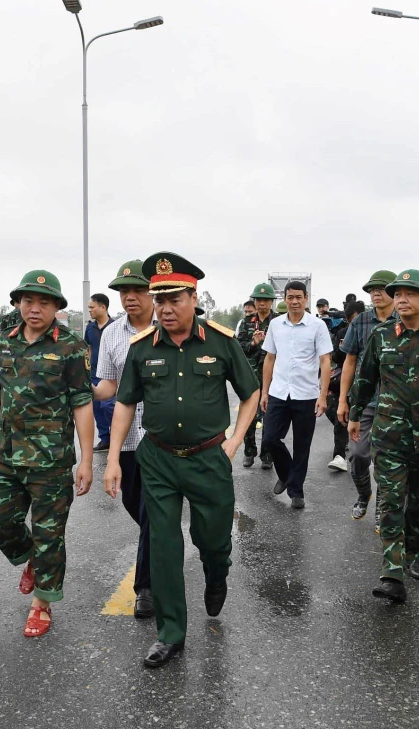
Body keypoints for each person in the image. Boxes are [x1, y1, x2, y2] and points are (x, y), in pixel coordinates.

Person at [104, 252, 260, 668]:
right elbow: (124, 404)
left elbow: (251, 393)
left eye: (174, 299)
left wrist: (235, 441)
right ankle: (171, 633)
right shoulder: (141, 349)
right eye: (160, 300)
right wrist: (114, 459)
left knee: (212, 539)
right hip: (157, 459)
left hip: (209, 458)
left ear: (194, 297)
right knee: (163, 543)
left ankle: (216, 572)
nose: (165, 308)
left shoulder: (222, 342)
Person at [0, 270, 93, 638]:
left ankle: (42, 604)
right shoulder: (4, 341)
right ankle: (31, 559)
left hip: (51, 460)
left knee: (50, 533)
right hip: (6, 453)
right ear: (18, 303)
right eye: (28, 301)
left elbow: (82, 404)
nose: (34, 309)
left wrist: (86, 459)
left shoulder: (71, 347)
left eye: (44, 302)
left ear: (56, 307)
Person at [348, 270, 419, 602]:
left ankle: (418, 553)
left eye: (410, 294)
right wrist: (354, 413)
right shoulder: (381, 336)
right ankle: (392, 572)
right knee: (391, 501)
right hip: (389, 433)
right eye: (399, 294)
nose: (402, 299)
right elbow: (365, 379)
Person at [93, 260, 157, 619]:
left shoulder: (169, 326)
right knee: (139, 508)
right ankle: (162, 547)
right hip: (128, 438)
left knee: (151, 512)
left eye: (138, 290)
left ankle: (145, 587)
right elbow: (108, 386)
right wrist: (77, 390)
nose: (130, 297)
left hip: (163, 438)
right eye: (124, 291)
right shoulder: (112, 334)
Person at [260, 281, 333, 509]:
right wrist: (264, 391)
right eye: (290, 297)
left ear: (306, 298)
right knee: (269, 438)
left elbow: (325, 361)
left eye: (298, 297)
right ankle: (286, 473)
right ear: (284, 299)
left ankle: (296, 491)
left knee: (303, 445)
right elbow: (269, 358)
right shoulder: (275, 325)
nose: (294, 301)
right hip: (279, 392)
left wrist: (322, 396)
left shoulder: (317, 326)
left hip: (306, 394)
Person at [337, 270, 396, 524]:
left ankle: (382, 507)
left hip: (396, 403)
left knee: (387, 460)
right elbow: (349, 361)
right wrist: (343, 400)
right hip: (365, 401)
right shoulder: (360, 322)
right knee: (359, 454)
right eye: (372, 289)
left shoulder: (403, 320)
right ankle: (364, 495)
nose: (376, 292)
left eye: (381, 288)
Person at [237, 282, 279, 469]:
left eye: (266, 300)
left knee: (270, 415)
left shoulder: (279, 321)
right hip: (251, 375)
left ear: (271, 302)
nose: (262, 303)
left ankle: (267, 454)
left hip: (273, 376)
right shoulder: (247, 322)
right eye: (259, 300)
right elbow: (239, 348)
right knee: (250, 416)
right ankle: (249, 451)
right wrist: (253, 343)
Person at [324, 301, 365, 471]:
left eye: (356, 319)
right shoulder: (342, 332)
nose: (353, 323)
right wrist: (345, 349)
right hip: (346, 379)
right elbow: (335, 356)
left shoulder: (375, 331)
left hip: (368, 384)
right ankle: (339, 455)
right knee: (339, 414)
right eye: (350, 321)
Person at [85, 293, 115, 450]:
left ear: (103, 307)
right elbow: (89, 349)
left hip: (111, 376)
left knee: (109, 406)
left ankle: (117, 435)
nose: (89, 310)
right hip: (94, 374)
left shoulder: (115, 327)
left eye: (92, 307)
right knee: (97, 408)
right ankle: (105, 438)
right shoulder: (90, 328)